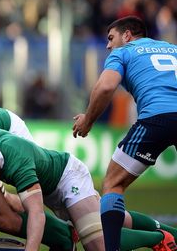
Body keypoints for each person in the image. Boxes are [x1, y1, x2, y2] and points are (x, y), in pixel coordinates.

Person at [0, 110, 177, 251]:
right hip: (52, 188)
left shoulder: (19, 162)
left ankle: (159, 238)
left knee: (98, 244)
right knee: (113, 218)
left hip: (69, 179)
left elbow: (36, 214)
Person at [73, 16, 177, 251]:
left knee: (112, 183)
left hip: (156, 118)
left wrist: (88, 120)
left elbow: (105, 86)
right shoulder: (173, 49)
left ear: (127, 35)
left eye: (111, 38)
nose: (108, 45)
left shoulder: (123, 52)